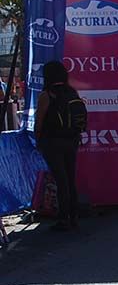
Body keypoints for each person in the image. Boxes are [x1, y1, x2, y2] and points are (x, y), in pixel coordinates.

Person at [33, 61, 83, 230]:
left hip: (52, 141)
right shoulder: (72, 92)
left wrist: (37, 138)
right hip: (72, 139)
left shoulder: (47, 95)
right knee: (70, 177)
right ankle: (74, 215)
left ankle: (63, 218)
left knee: (60, 178)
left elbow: (39, 120)